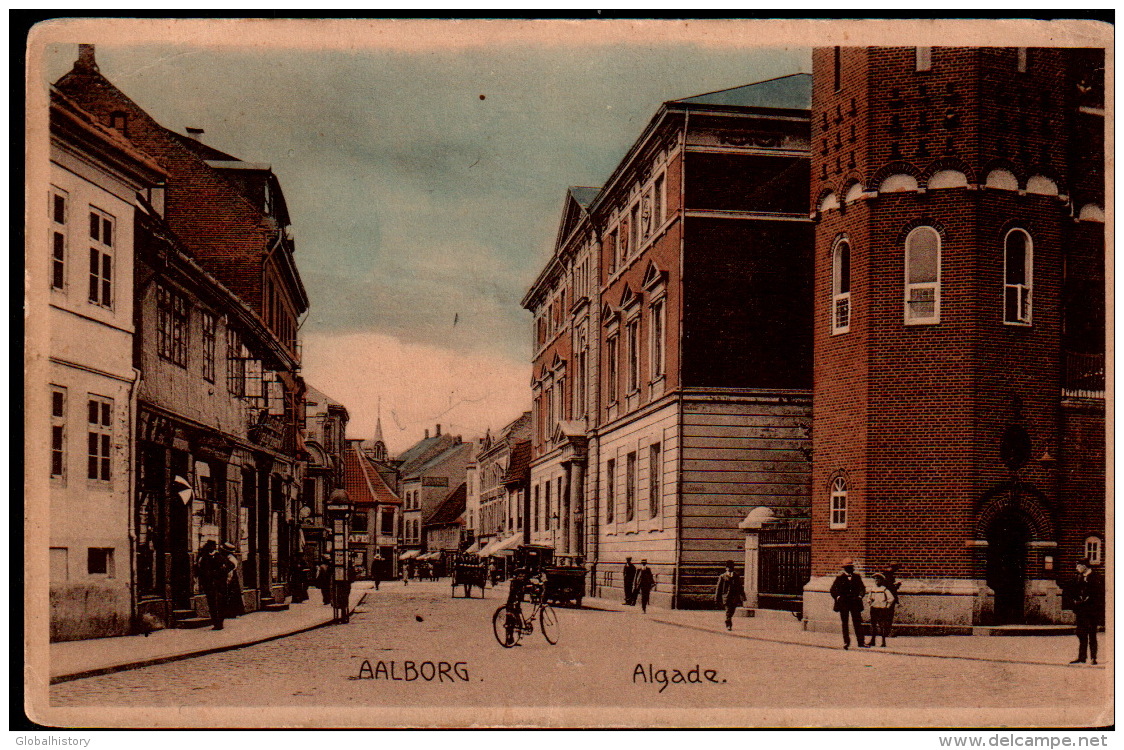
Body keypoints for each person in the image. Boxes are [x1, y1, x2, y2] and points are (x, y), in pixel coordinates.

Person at [1070, 558, 1103, 665]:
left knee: (1092, 634)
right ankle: (1082, 657)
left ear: (1085, 566)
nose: (1077, 568)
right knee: (1081, 634)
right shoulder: (1077, 577)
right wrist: (1075, 600)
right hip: (1081, 611)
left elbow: (1098, 594)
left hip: (1092, 611)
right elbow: (1073, 591)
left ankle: (1093, 657)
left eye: (1079, 566)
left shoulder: (1096, 577)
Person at [195, 540, 235, 630]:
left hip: (220, 584)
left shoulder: (219, 557)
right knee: (212, 603)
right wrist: (202, 581)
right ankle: (216, 623)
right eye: (209, 546)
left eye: (212, 546)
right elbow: (199, 570)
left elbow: (231, 565)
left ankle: (220, 622)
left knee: (221, 603)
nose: (211, 548)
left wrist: (221, 573)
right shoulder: (204, 558)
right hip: (209, 585)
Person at [830, 557, 867, 649]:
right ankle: (846, 642)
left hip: (855, 602)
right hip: (844, 603)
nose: (849, 569)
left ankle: (861, 642)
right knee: (845, 623)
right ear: (844, 568)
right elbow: (833, 590)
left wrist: (860, 596)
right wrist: (838, 597)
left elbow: (862, 588)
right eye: (847, 567)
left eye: (850, 567)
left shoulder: (857, 577)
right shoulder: (840, 578)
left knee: (857, 622)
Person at [714, 560, 745, 631]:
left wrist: (743, 596)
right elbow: (718, 588)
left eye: (731, 567)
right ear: (726, 568)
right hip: (726, 597)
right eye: (728, 567)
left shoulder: (736, 576)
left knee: (732, 610)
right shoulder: (722, 576)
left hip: (734, 597)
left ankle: (728, 619)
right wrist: (716, 598)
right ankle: (728, 624)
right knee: (728, 610)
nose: (730, 569)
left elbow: (740, 587)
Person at [865, 573, 895, 647]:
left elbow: (891, 598)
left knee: (882, 626)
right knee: (873, 625)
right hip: (874, 608)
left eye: (878, 579)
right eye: (875, 579)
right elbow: (868, 598)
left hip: (881, 609)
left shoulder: (884, 589)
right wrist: (870, 602)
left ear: (881, 580)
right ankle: (873, 640)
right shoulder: (872, 589)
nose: (876, 581)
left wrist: (887, 606)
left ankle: (883, 641)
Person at [220, 542, 246, 618]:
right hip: (231, 578)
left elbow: (231, 568)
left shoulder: (230, 558)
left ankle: (233, 612)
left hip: (231, 578)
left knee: (232, 596)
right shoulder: (228, 557)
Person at [880, 562, 902, 637]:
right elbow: (888, 587)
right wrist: (896, 585)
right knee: (888, 615)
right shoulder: (888, 575)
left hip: (886, 598)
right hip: (888, 598)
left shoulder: (885, 575)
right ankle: (886, 632)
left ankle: (885, 631)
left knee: (886, 615)